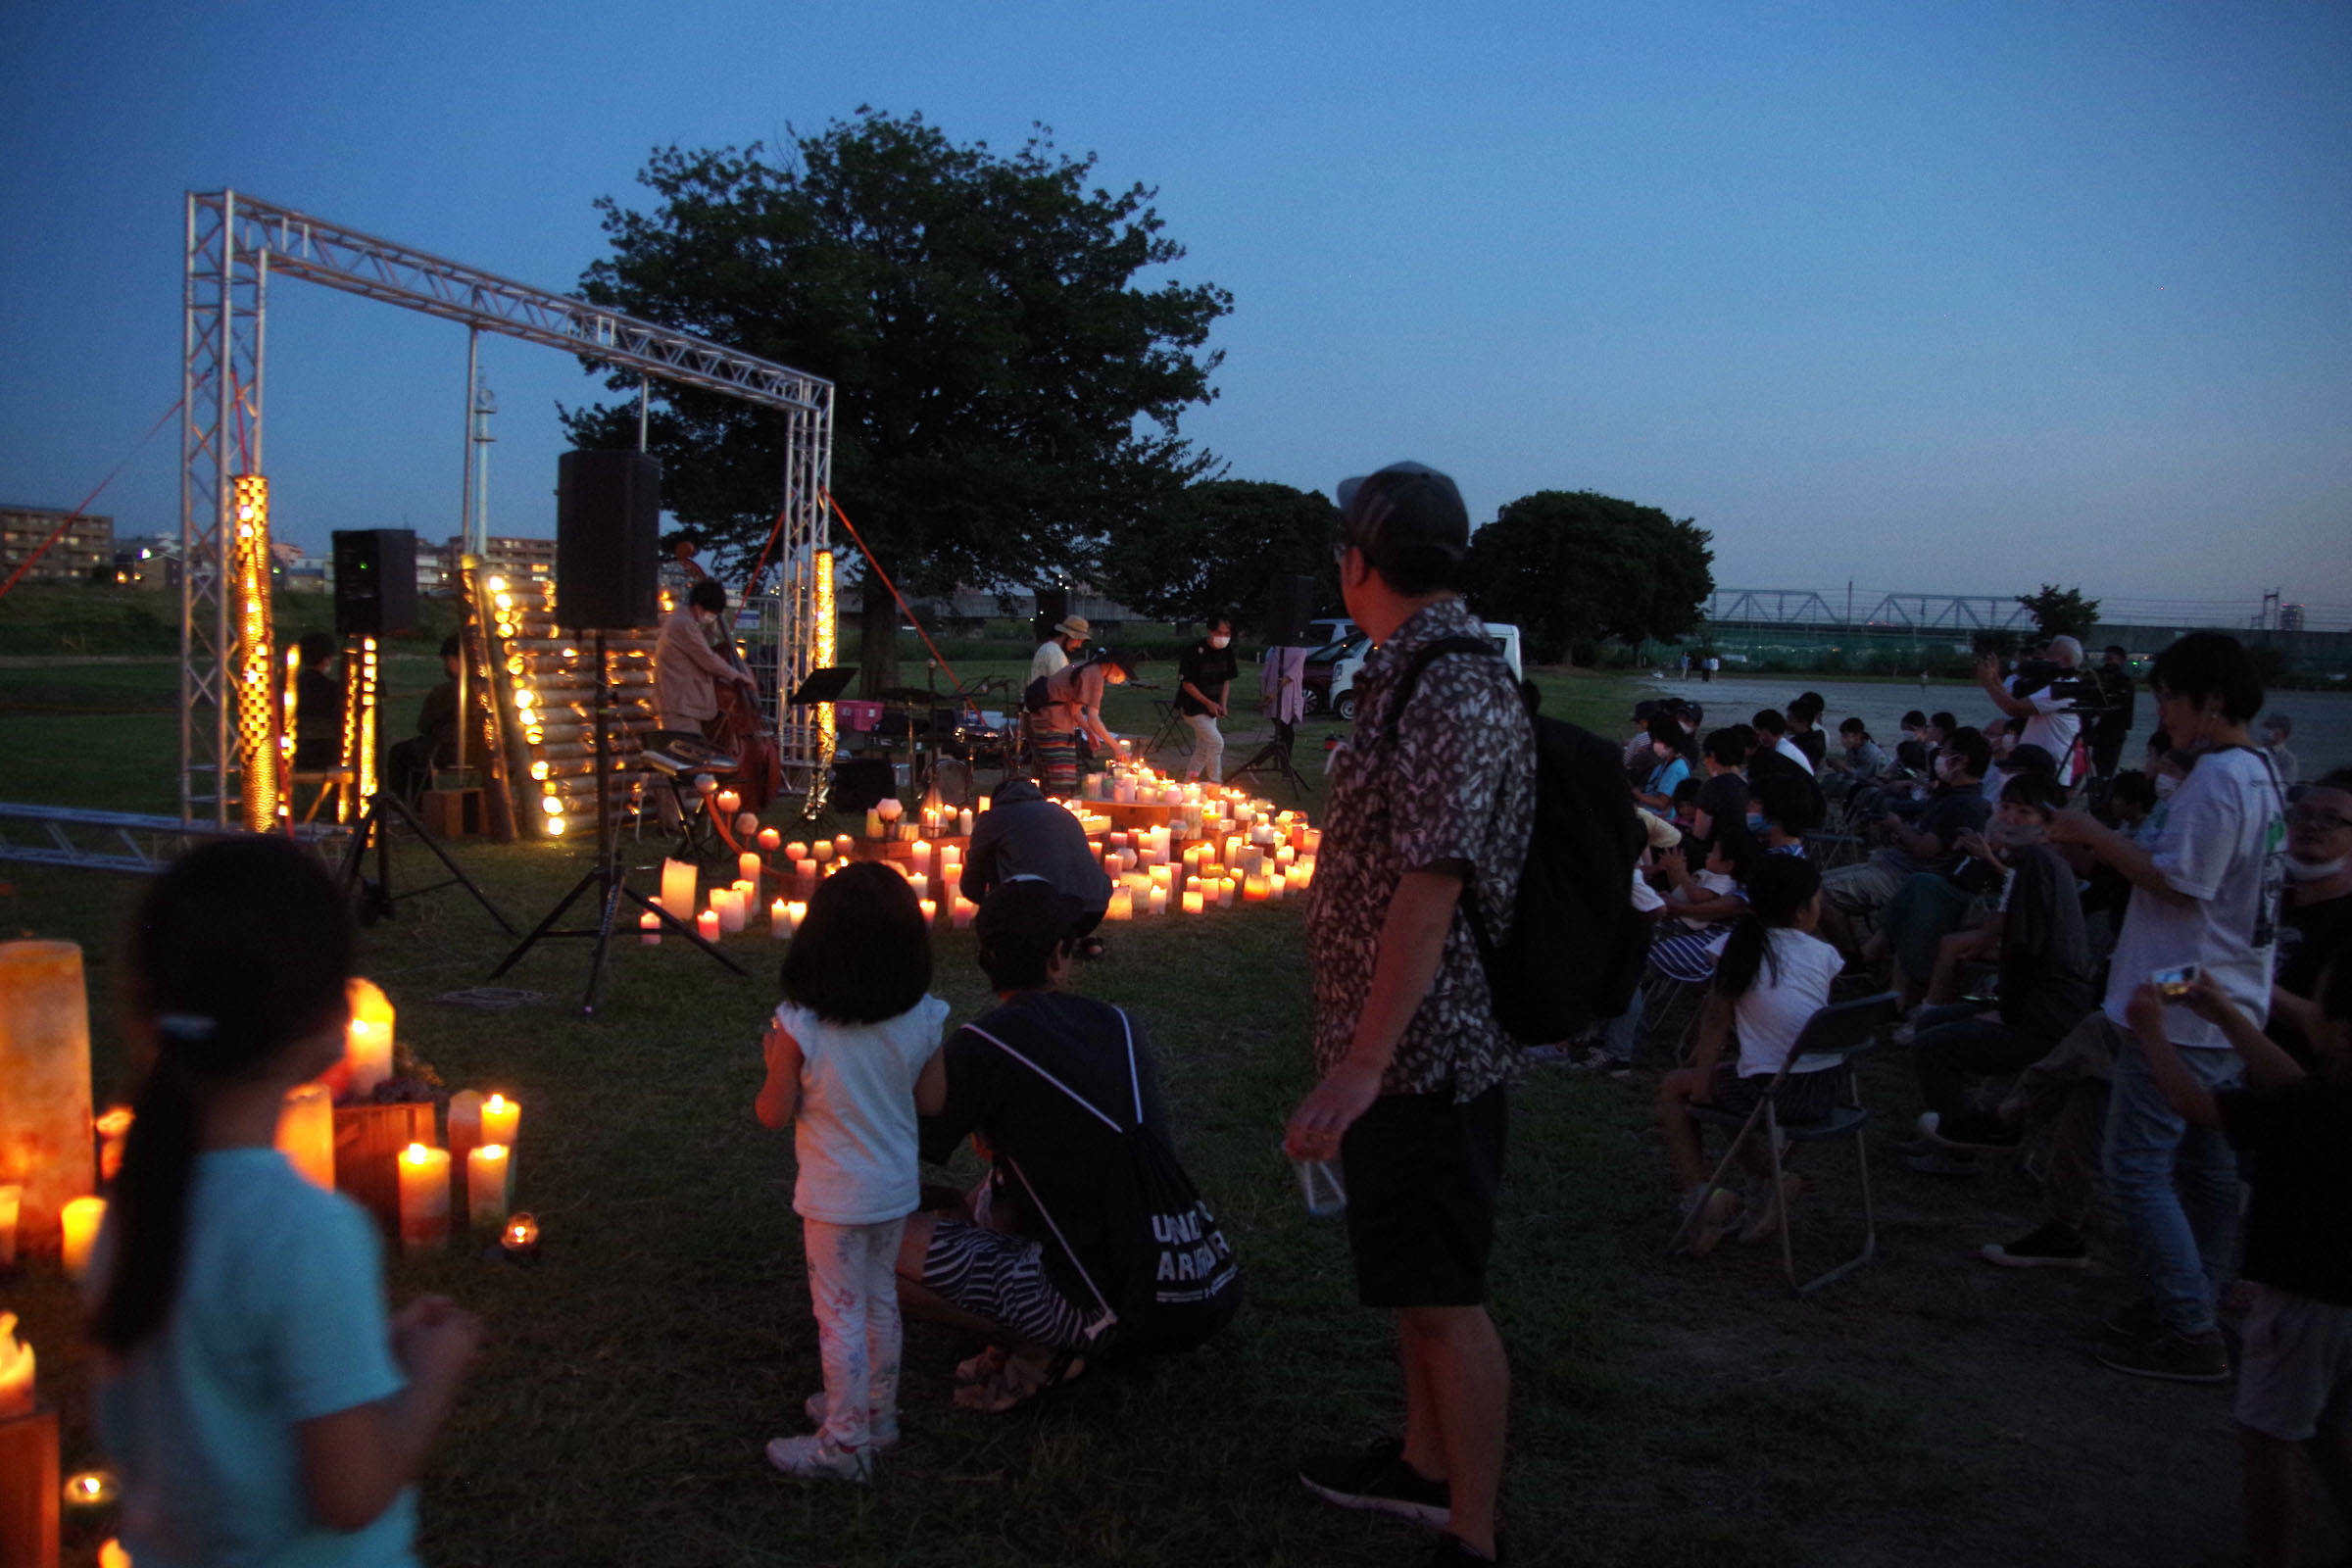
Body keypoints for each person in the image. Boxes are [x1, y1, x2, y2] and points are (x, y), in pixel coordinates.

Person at [90, 837, 480, 1566]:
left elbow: (205, 1387)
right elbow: (351, 1495)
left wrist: (361, 1351)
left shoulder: (130, 1215)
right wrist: (432, 1375)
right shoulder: (306, 1233)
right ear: (331, 1021)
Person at [1287, 461, 1533, 1567]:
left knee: (1445, 1296)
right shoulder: (1410, 669)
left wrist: (1365, 1060)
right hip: (1392, 1046)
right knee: (1411, 1283)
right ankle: (1423, 1466)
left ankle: (1470, 1535)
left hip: (1429, 1052)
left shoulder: (1450, 684)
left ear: (1357, 560)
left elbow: (1430, 892)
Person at [2045, 631, 2286, 1382]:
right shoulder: (2258, 773)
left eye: (2169, 697)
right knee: (2204, 1171)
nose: (2163, 714)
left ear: (2210, 701)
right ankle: (2194, 1301)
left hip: (2179, 1002)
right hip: (2218, 999)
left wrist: (2090, 833)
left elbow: (2183, 885)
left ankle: (2188, 1327)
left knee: (2137, 1169)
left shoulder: (2219, 781)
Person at [905, 880, 1235, 1410]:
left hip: (1099, 1303)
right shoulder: (1119, 1024)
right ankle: (1048, 1321)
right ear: (1059, 957)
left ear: (987, 960)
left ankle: (1040, 1344)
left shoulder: (982, 1044)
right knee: (989, 1188)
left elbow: (894, 1156)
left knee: (864, 1242)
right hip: (1177, 1270)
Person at [2121, 965, 2352, 1568]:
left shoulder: (2310, 1111)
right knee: (2329, 1423)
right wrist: (2225, 1014)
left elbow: (2193, 1103)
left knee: (2267, 1437)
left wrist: (2150, 1032)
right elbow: (2295, 1083)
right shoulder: (2322, 1102)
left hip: (2303, 1302)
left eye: (2317, 1011)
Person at [756, 861, 951, 1482]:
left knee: (838, 1314)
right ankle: (876, 1413)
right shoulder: (922, 1018)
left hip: (835, 1199)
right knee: (878, 1301)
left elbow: (771, 1114)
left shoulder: (800, 1026)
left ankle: (843, 1445)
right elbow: (933, 1103)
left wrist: (773, 1063)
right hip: (894, 1190)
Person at [1903, 774, 2097, 1175]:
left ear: (2047, 821)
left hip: (2045, 1017)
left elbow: (2029, 950)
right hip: (2035, 1003)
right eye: (2007, 808)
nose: (2010, 818)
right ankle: (1952, 1125)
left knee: (1932, 1047)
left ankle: (1964, 1143)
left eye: (2023, 812)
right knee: (1932, 1023)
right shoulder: (2035, 862)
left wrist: (2005, 1011)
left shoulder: (2039, 864)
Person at [1656, 856, 1844, 1253]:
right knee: (1732, 1079)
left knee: (1677, 1088)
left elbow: (1714, 1023)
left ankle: (1704, 1198)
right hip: (1829, 1086)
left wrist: (1701, 1077)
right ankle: (1765, 1180)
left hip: (1779, 1093)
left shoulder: (1733, 947)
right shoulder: (1824, 954)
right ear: (1803, 910)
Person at [1819, 729, 1992, 955]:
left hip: (1905, 876)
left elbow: (1926, 849)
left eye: (1945, 751)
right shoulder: (1955, 796)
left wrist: (1897, 825)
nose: (1940, 756)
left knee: (1818, 894)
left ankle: (1853, 963)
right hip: (1896, 865)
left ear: (1962, 760)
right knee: (1814, 885)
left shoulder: (1962, 804)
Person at [959, 777, 1114, 942]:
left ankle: (1013, 927)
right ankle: (1076, 941)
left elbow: (974, 867)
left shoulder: (994, 816)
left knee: (986, 857)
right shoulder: (1060, 811)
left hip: (1042, 913)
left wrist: (989, 905)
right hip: (1093, 910)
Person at [2271, 770, 2352, 1066]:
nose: (2311, 825)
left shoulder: (2344, 922)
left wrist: (2245, 981)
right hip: (2222, 1062)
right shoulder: (2268, 900)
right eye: (2301, 814)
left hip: (2295, 1086)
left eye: (2331, 819)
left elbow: (2332, 1033)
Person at [657, 578, 759, 740]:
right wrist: (736, 675)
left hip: (684, 704)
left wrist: (712, 626)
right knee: (687, 755)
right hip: (680, 704)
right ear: (699, 607)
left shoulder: (685, 622)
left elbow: (704, 646)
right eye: (713, 613)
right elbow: (707, 658)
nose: (712, 617)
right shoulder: (683, 624)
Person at [1977, 635, 2087, 780]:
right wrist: (1995, 678)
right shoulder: (2054, 684)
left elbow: (2016, 709)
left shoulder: (2063, 687)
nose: (2042, 660)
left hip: (2048, 773)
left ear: (2064, 659)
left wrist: (1988, 683)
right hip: (2035, 767)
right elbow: (2014, 701)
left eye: (2049, 655)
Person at [386, 634, 478, 804]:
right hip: (482, 753)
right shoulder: (493, 692)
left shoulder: (445, 692)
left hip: (448, 752)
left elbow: (423, 725)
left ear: (452, 660)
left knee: (402, 752)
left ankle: (411, 806)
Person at [1031, 650, 1129, 794]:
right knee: (1062, 779)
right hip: (1053, 724)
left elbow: (1071, 705)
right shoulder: (1095, 675)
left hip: (1046, 721)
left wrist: (1088, 731)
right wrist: (1116, 747)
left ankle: (1049, 809)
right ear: (1114, 665)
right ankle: (1058, 811)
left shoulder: (1086, 668)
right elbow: (1093, 718)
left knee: (1051, 778)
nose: (1123, 677)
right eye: (1123, 672)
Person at [1175, 614, 1240, 783]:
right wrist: (1209, 703)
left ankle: (1188, 783)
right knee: (1216, 743)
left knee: (1203, 748)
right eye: (1220, 633)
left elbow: (1227, 680)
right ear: (1211, 631)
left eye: (1227, 634)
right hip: (1193, 707)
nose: (1224, 637)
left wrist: (1222, 704)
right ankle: (1215, 784)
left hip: (1212, 706)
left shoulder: (1227, 651)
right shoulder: (1193, 650)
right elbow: (1187, 684)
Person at [290, 631, 343, 771]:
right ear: (326, 660)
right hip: (330, 757)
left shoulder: (290, 690)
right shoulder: (336, 690)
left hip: (295, 755)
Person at [2087, 645, 2137, 781]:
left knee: (2107, 769)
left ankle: (2103, 791)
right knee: (2098, 764)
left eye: (2110, 659)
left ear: (2121, 660)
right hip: (2101, 730)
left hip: (2115, 730)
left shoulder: (2124, 681)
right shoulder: (2100, 677)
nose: (2107, 662)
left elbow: (2116, 704)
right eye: (2105, 659)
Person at [1632, 716, 1691, 812]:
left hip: (1659, 818)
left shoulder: (1675, 769)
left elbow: (1662, 804)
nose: (1654, 744)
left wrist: (1638, 795)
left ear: (1668, 742)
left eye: (1657, 740)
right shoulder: (1666, 762)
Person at [1029, 613, 1090, 683]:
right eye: (1077, 640)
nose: (1079, 645)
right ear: (1066, 635)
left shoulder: (1046, 648)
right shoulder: (1056, 654)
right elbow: (1063, 685)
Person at [2259, 713, 2301, 790]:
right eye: (2265, 726)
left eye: (2270, 727)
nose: (2266, 730)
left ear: (2282, 733)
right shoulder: (2253, 752)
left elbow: (2285, 788)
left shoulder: (2288, 760)